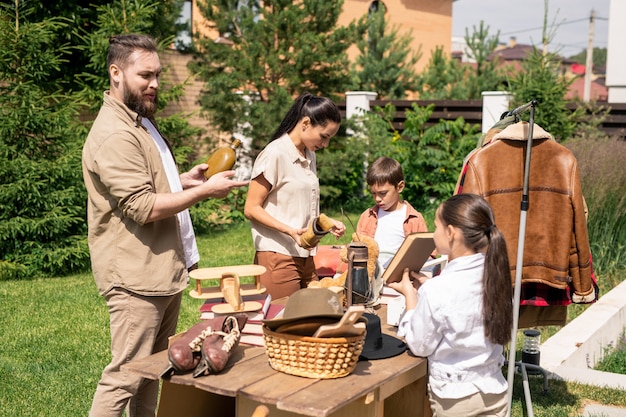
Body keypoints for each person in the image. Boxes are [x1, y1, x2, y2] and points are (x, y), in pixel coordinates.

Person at [82, 34, 248, 417]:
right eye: (145, 75)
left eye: (158, 74)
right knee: (124, 377)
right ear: (116, 73)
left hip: (159, 271)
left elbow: (147, 184)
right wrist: (205, 192)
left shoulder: (139, 122)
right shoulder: (115, 134)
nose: (155, 83)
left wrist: (185, 180)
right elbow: (141, 206)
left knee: (150, 373)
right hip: (134, 277)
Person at [388, 193, 513, 417]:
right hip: (496, 391)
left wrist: (411, 299)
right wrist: (429, 288)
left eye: (436, 226)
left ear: (451, 232)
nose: (434, 233)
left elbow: (419, 345)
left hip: (455, 401)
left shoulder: (438, 290)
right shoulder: (497, 278)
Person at [244, 93, 346, 299]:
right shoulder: (275, 154)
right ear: (306, 123)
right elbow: (251, 208)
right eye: (324, 136)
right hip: (278, 256)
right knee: (282, 322)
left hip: (306, 255)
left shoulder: (309, 154)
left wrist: (324, 223)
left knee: (315, 316)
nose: (325, 144)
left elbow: (297, 206)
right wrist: (290, 231)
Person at [356, 156, 428, 269]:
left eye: (383, 193)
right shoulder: (367, 217)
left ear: (400, 187)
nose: (377, 199)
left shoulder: (415, 219)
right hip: (370, 275)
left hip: (401, 277)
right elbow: (356, 250)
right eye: (373, 193)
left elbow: (426, 255)